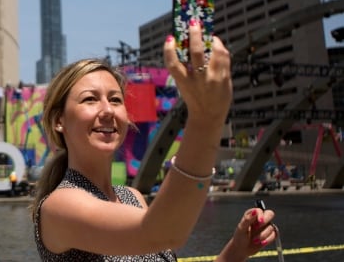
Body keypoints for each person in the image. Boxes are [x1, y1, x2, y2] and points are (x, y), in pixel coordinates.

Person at [32, 20, 277, 261]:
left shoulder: (133, 197)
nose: (107, 110)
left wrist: (237, 249)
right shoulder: (60, 206)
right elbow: (161, 233)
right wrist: (206, 118)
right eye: (90, 99)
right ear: (58, 121)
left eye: (116, 100)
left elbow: (162, 234)